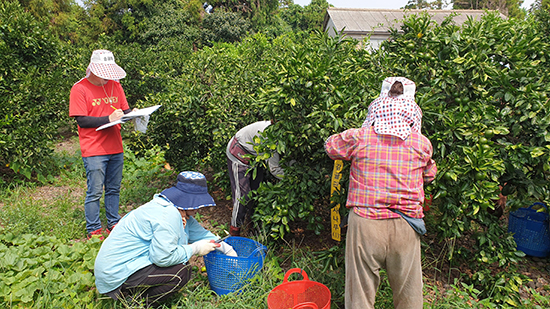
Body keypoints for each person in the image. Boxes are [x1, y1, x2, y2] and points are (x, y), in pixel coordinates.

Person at [324, 77, 437, 309]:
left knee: (360, 295)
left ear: (378, 107)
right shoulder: (421, 144)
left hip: (365, 224)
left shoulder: (359, 138)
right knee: (409, 294)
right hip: (405, 224)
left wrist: (363, 130)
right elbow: (429, 175)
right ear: (412, 112)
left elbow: (330, 146)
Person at [94, 171, 237, 307]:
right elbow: (162, 258)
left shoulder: (179, 212)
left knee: (180, 261)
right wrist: (196, 248)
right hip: (116, 275)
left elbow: (202, 234)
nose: (200, 208)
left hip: (123, 267)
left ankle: (136, 294)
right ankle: (136, 303)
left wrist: (227, 249)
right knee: (181, 272)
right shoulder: (168, 215)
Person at [69, 49, 131, 238]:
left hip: (115, 146)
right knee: (95, 191)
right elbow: (82, 120)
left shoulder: (115, 86)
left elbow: (125, 111)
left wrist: (135, 115)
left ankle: (113, 222)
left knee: (114, 188)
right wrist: (107, 118)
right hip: (94, 148)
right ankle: (93, 229)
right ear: (93, 69)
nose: (107, 77)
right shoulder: (80, 89)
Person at [226, 120, 284, 236]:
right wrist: (290, 178)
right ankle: (235, 230)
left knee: (257, 191)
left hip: (255, 156)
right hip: (239, 154)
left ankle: (252, 226)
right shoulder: (270, 139)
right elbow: (274, 168)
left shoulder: (281, 136)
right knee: (243, 196)